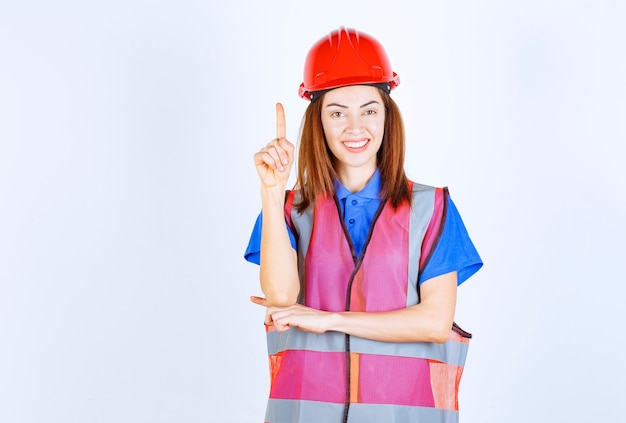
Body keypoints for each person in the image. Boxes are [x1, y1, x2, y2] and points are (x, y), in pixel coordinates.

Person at [244, 27, 483, 423]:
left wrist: (331, 319)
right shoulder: (290, 209)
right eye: (337, 112)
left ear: (388, 117)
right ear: (318, 121)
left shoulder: (432, 209)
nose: (355, 127)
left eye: (369, 110)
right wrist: (272, 191)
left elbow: (436, 322)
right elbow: (282, 298)